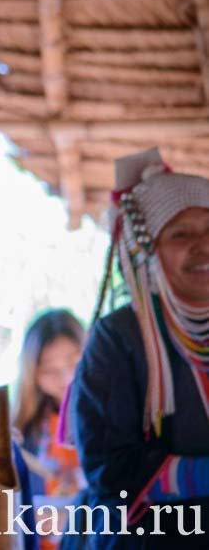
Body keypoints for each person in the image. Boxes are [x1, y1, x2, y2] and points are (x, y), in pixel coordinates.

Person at [70, 148, 209, 548]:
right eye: (180, 233)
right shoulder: (119, 338)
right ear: (146, 251)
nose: (202, 245)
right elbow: (110, 469)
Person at [12, 309, 86, 550]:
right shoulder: (23, 432)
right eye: (50, 370)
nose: (66, 377)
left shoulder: (112, 418)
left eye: (74, 362)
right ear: (33, 375)